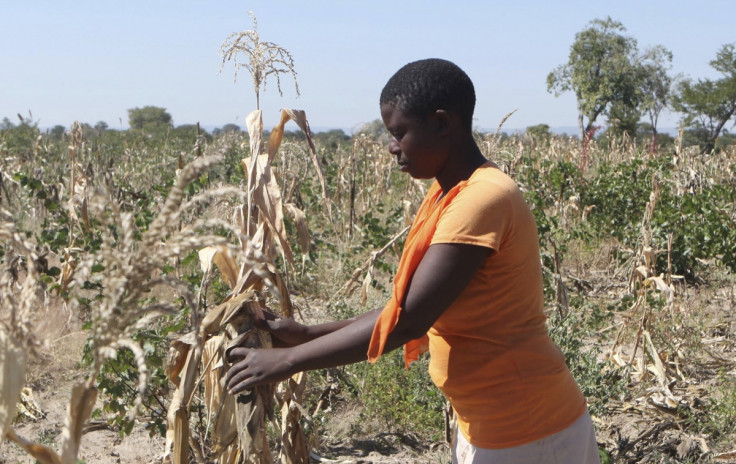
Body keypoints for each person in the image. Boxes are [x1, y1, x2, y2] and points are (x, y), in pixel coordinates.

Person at [226, 58, 601, 464]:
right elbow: (403, 308)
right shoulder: (447, 194)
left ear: (442, 123)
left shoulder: (481, 199)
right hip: (491, 426)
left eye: (399, 132)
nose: (392, 147)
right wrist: (309, 333)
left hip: (529, 432)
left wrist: (288, 360)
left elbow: (411, 320)